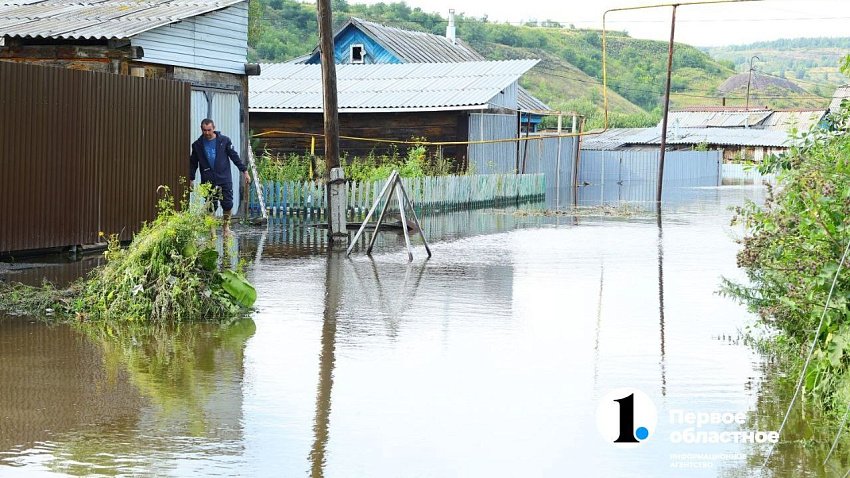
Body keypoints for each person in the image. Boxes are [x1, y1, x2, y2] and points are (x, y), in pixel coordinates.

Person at [189, 118, 251, 233]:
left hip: (224, 178)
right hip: (208, 179)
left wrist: (245, 171)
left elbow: (234, 156)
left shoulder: (224, 141)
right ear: (201, 129)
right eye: (204, 130)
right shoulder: (197, 145)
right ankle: (212, 231)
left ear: (214, 128)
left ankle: (225, 227)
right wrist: (191, 179)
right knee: (210, 206)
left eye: (209, 130)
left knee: (227, 204)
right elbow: (193, 163)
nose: (207, 133)